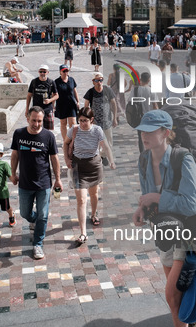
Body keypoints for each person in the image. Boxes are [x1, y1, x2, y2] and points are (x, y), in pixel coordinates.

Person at [132, 110, 196, 327]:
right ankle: (190, 317)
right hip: (162, 232)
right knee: (179, 294)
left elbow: (191, 204)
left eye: (150, 130)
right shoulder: (143, 159)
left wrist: (158, 198)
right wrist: (142, 208)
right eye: (142, 130)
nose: (144, 135)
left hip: (186, 234)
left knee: (172, 295)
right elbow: (146, 195)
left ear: (166, 133)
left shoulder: (183, 159)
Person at [10, 106, 63, 260]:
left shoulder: (48, 136)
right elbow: (14, 155)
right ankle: (34, 221)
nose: (37, 124)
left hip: (44, 183)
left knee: (44, 214)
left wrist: (58, 179)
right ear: (27, 118)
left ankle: (38, 244)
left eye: (40, 121)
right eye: (34, 120)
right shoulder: (19, 134)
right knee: (25, 213)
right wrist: (13, 174)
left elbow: (54, 158)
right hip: (25, 183)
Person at [63, 107, 116, 245]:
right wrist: (67, 160)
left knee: (94, 194)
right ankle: (83, 233)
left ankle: (93, 214)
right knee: (81, 200)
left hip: (93, 166)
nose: (82, 124)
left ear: (91, 120)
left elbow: (106, 146)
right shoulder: (74, 129)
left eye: (85, 121)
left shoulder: (97, 130)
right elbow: (65, 143)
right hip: (78, 166)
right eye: (80, 120)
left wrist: (111, 161)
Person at [84, 73, 118, 164]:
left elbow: (114, 104)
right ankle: (96, 159)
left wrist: (115, 118)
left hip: (107, 121)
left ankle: (103, 155)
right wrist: (89, 120)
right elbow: (86, 107)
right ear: (93, 82)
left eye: (101, 80)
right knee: (95, 143)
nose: (99, 82)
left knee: (109, 143)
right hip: (95, 122)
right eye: (97, 80)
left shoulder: (108, 90)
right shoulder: (90, 92)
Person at [26, 65, 58, 130]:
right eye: (41, 71)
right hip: (36, 109)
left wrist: (50, 100)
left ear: (48, 72)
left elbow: (56, 95)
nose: (42, 73)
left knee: (48, 129)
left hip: (47, 109)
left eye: (44, 72)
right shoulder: (34, 82)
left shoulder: (51, 82)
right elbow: (29, 95)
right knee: (35, 128)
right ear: (38, 72)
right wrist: (27, 109)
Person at [54, 64, 80, 142]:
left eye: (67, 70)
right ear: (60, 72)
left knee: (73, 123)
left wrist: (78, 101)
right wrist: (53, 105)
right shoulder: (56, 82)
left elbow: (75, 91)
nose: (65, 72)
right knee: (63, 123)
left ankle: (73, 140)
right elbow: (54, 94)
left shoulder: (71, 80)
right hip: (61, 105)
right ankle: (65, 141)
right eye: (64, 71)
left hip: (71, 104)